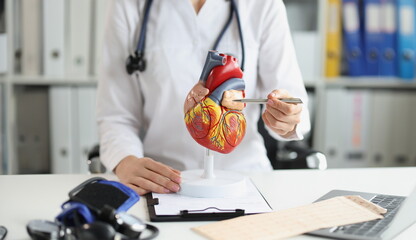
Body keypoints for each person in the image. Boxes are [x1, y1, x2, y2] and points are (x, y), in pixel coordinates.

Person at [97, 0, 311, 195]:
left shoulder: (262, 5)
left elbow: (295, 104)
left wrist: (287, 119)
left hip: (246, 179)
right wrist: (126, 161)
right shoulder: (130, 5)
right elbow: (116, 116)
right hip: (164, 182)